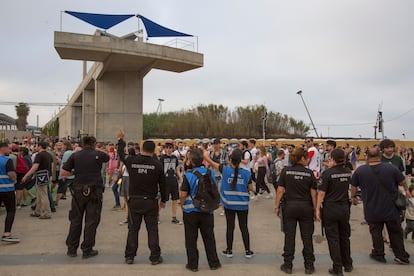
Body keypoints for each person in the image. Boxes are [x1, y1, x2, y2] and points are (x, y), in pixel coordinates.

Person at [351, 146, 411, 265]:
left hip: (372, 209)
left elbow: (353, 187)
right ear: (380, 155)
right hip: (391, 208)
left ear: (367, 156)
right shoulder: (391, 168)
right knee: (395, 232)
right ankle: (401, 255)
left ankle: (379, 254)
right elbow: (402, 181)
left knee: (376, 233)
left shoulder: (360, 170)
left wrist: (353, 198)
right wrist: (407, 191)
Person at [118, 140, 167, 265]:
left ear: (141, 148)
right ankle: (155, 257)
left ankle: (130, 256)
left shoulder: (132, 161)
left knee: (133, 229)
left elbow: (121, 155)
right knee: (152, 229)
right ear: (154, 150)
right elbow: (163, 184)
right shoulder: (157, 165)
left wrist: (121, 140)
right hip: (151, 202)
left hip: (135, 201)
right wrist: (164, 200)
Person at [61, 136, 109, 258]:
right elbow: (107, 156)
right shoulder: (98, 154)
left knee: (76, 220)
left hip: (78, 190)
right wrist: (97, 149)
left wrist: (76, 172)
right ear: (94, 144)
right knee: (91, 221)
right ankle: (87, 249)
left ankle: (72, 249)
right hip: (94, 191)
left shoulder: (75, 155)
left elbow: (64, 173)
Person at [203, 148, 254, 258]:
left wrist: (205, 153)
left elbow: (210, 162)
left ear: (230, 159)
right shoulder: (246, 173)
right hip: (243, 205)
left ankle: (229, 250)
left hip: (229, 204)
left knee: (230, 227)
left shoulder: (224, 170)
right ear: (240, 160)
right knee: (244, 227)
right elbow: (251, 188)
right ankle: (248, 251)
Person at [275, 147, 317, 275]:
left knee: (289, 237)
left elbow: (280, 190)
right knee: (307, 237)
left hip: (290, 207)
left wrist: (277, 206)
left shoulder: (285, 171)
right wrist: (315, 209)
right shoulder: (309, 173)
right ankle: (309, 266)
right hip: (306, 208)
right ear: (302, 158)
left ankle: (288, 265)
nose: (308, 160)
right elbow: (313, 193)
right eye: (306, 157)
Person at [180, 148, 221, 272]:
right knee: (209, 237)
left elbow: (183, 194)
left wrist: (182, 205)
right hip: (207, 210)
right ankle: (214, 263)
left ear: (191, 161)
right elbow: (215, 189)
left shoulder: (188, 175)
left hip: (191, 211)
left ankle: (193, 265)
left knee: (191, 239)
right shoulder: (210, 172)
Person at [316, 148, 353, 275]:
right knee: (344, 237)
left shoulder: (327, 174)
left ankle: (337, 267)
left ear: (332, 158)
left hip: (331, 208)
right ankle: (347, 263)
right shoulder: (348, 171)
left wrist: (317, 209)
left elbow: (321, 193)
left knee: (333, 239)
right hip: (344, 208)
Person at [22, 141, 52, 219]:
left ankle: (46, 213)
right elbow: (49, 166)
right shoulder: (48, 155)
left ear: (40, 146)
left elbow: (35, 167)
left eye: (36, 146)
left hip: (41, 176)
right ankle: (38, 211)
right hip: (46, 175)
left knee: (43, 195)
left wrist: (26, 175)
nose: (35, 147)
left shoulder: (39, 155)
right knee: (39, 194)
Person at [159, 142, 183, 224]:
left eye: (170, 148)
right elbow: (160, 171)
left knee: (175, 199)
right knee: (163, 200)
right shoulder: (162, 158)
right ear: (165, 149)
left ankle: (174, 217)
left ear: (173, 149)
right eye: (167, 148)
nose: (169, 149)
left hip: (173, 180)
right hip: (165, 181)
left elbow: (177, 170)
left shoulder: (175, 158)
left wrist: (181, 179)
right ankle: (156, 216)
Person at [0, 142, 19, 243]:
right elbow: (11, 174)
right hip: (7, 190)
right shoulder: (7, 160)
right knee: (10, 211)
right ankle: (7, 233)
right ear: (3, 148)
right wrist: (14, 180)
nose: (10, 150)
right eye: (8, 148)